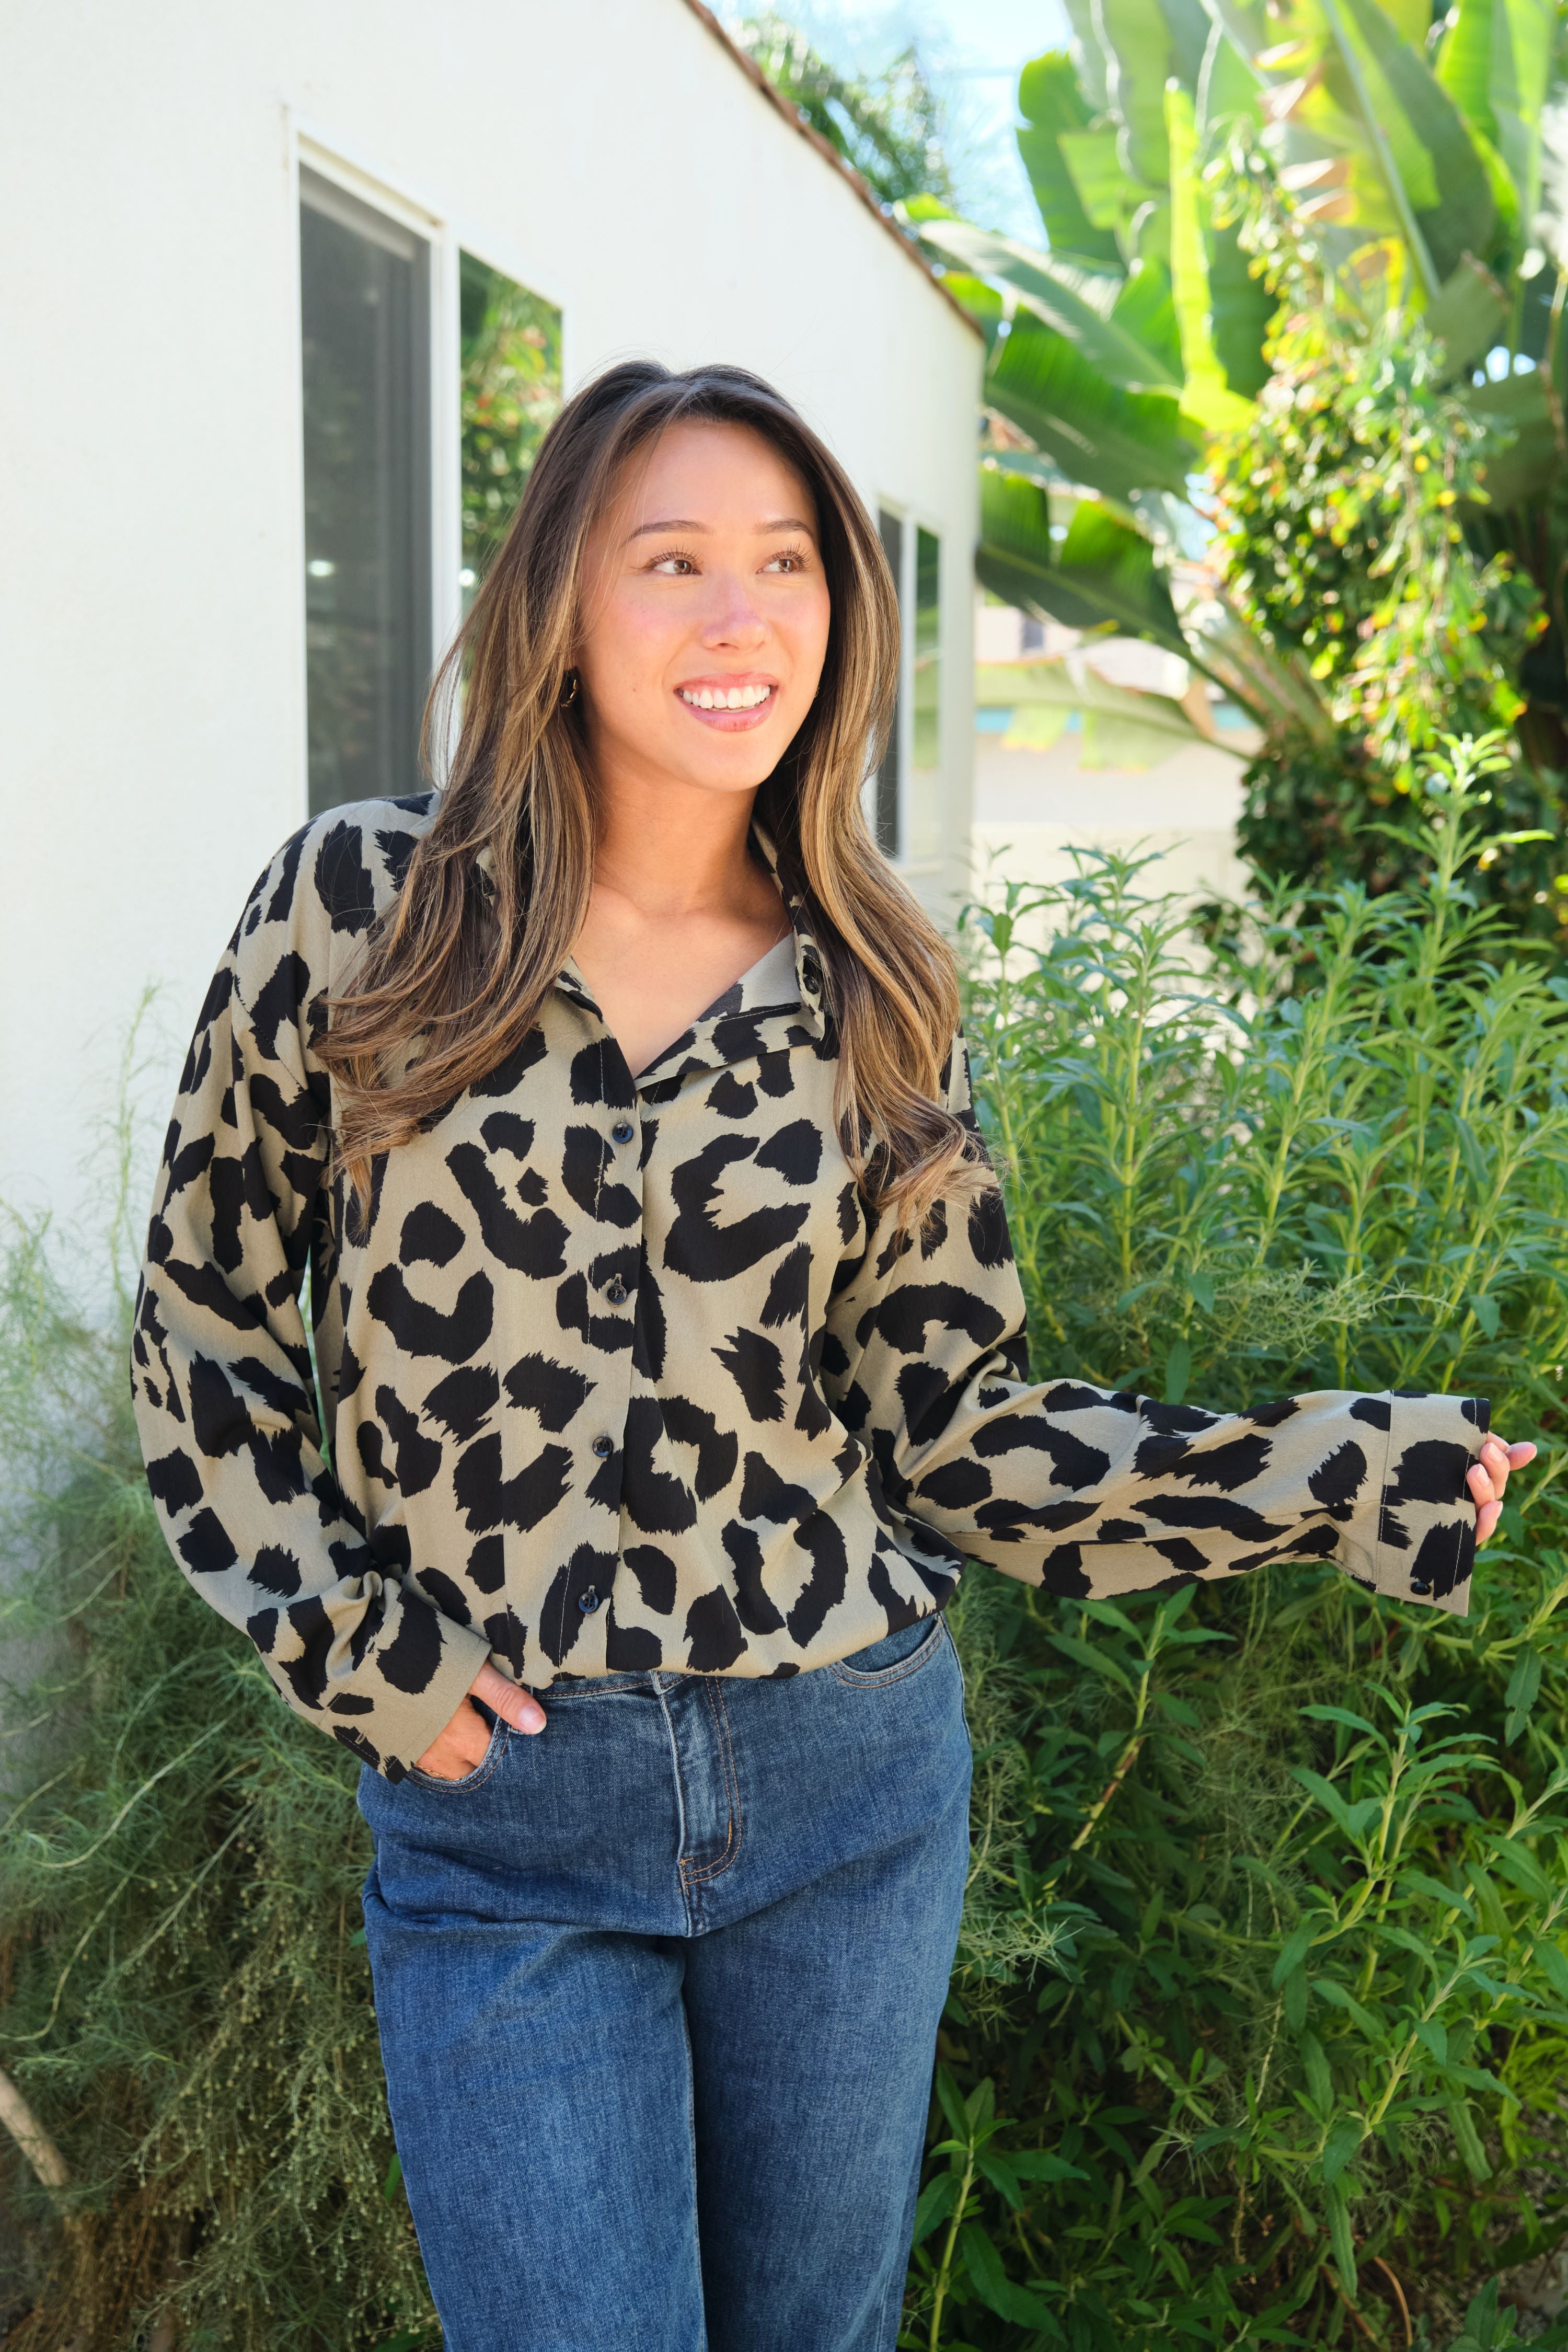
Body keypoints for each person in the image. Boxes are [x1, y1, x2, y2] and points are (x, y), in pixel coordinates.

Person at [132, 359, 1532, 2352]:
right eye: (674, 558)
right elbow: (203, 1320)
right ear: (561, 597)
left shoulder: (876, 979)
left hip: (841, 1784)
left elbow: (960, 1430)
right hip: (506, 1816)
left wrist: (1336, 1471)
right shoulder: (362, 913)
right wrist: (365, 1655)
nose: (739, 617)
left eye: (786, 564)